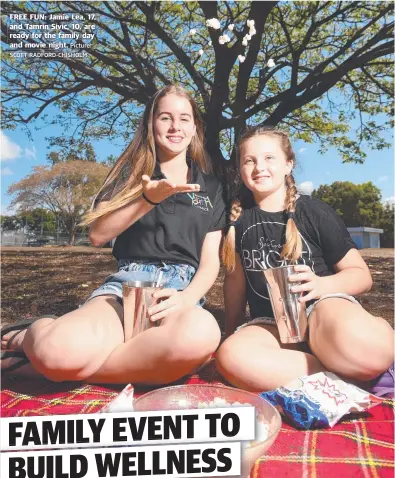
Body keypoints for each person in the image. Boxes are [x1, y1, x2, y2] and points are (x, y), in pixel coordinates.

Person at [1, 84, 225, 384]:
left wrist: (187, 299)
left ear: (195, 127)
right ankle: (29, 337)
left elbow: (210, 261)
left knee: (202, 334)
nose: (176, 126)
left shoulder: (212, 187)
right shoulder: (130, 174)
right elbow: (97, 235)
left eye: (185, 118)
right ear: (151, 124)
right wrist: (147, 200)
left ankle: (51, 368)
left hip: (179, 293)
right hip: (126, 284)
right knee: (56, 352)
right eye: (165, 117)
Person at [216, 126, 394, 392]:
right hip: (271, 324)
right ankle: (342, 379)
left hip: (324, 309)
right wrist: (230, 334)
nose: (258, 167)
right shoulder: (237, 221)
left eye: (269, 158)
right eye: (249, 160)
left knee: (371, 350)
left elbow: (361, 275)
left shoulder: (314, 211)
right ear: (240, 169)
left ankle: (362, 351)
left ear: (288, 164)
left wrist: (320, 286)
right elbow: (235, 285)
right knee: (231, 357)